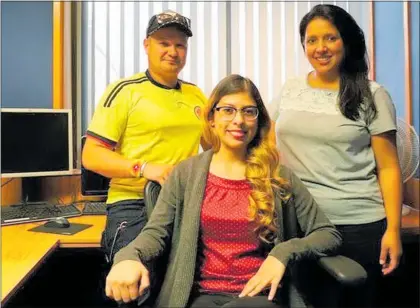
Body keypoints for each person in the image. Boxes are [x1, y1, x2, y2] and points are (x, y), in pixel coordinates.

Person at [104, 74, 342, 308]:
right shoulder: (186, 174)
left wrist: (284, 252)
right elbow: (155, 233)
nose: (238, 120)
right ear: (211, 119)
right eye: (228, 110)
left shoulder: (278, 176)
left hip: (259, 296)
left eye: (249, 111)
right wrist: (127, 257)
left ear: (258, 121)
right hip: (202, 297)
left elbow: (328, 234)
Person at [269, 4, 403, 307]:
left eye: (330, 38)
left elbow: (389, 168)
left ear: (347, 41)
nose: (320, 48)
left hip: (357, 226)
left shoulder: (372, 94)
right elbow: (267, 151)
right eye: (311, 40)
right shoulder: (290, 90)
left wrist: (393, 230)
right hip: (300, 225)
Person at [82, 10, 208, 264]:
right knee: (135, 279)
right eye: (164, 43)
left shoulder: (196, 95)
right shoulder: (124, 91)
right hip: (133, 203)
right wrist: (144, 168)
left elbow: (215, 148)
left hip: (182, 202)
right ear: (146, 45)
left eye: (180, 45)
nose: (173, 51)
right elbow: (92, 155)